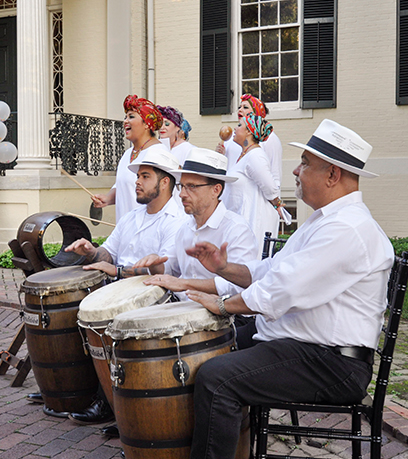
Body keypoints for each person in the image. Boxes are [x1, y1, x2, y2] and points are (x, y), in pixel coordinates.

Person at [184, 119, 394, 459]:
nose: (296, 171)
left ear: (332, 175)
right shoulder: (323, 220)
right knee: (213, 343)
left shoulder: (348, 228)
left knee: (215, 378)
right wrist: (223, 268)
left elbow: (280, 291)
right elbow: (270, 271)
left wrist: (223, 305)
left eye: (306, 163)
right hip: (307, 346)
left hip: (333, 364)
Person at [63, 146, 185, 428]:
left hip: (155, 300)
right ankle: (87, 395)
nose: (136, 182)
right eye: (137, 176)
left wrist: (118, 270)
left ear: (164, 182)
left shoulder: (177, 221)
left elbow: (164, 267)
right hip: (121, 291)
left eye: (145, 176)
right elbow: (109, 254)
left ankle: (116, 406)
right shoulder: (131, 217)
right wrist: (91, 252)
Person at [133, 147, 258, 301]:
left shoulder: (237, 229)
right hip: (183, 311)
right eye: (182, 186)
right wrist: (155, 264)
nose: (182, 194)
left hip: (224, 318)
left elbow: (238, 285)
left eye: (191, 186)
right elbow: (171, 269)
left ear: (216, 190)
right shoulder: (184, 228)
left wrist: (184, 284)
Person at [91, 95, 164, 223]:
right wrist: (108, 198)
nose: (125, 121)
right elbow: (122, 186)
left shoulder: (159, 154)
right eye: (125, 117)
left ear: (147, 123)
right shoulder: (127, 154)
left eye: (131, 116)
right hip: (125, 232)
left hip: (148, 231)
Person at [222, 113, 282, 257]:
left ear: (249, 131)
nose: (234, 129)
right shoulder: (245, 156)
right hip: (240, 220)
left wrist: (277, 203)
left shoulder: (255, 155)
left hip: (253, 220)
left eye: (239, 125)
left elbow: (270, 187)